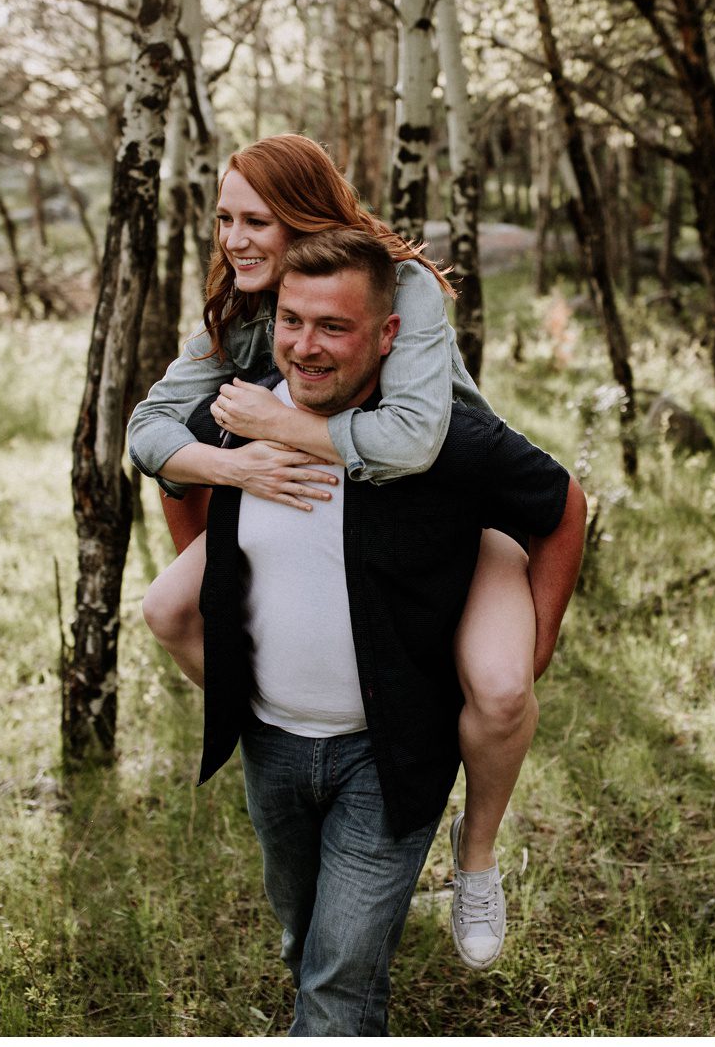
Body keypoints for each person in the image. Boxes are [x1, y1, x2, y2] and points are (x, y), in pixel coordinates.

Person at [126, 133, 551, 970]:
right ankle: (290, 713)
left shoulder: (404, 287)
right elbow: (148, 428)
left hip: (451, 502)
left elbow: (409, 441)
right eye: (224, 219)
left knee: (500, 689)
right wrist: (230, 462)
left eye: (257, 220)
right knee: (169, 607)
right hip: (327, 507)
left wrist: (279, 424)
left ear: (307, 220)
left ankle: (477, 853)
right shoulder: (247, 306)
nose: (235, 239)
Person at [182, 228, 586, 1034]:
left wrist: (527, 654)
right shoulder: (237, 414)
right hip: (272, 746)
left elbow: (560, 504)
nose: (307, 346)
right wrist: (212, 548)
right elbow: (173, 469)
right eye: (293, 321)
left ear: (389, 335)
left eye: (335, 327)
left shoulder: (441, 443)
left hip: (388, 754)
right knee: (310, 948)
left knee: (334, 982)